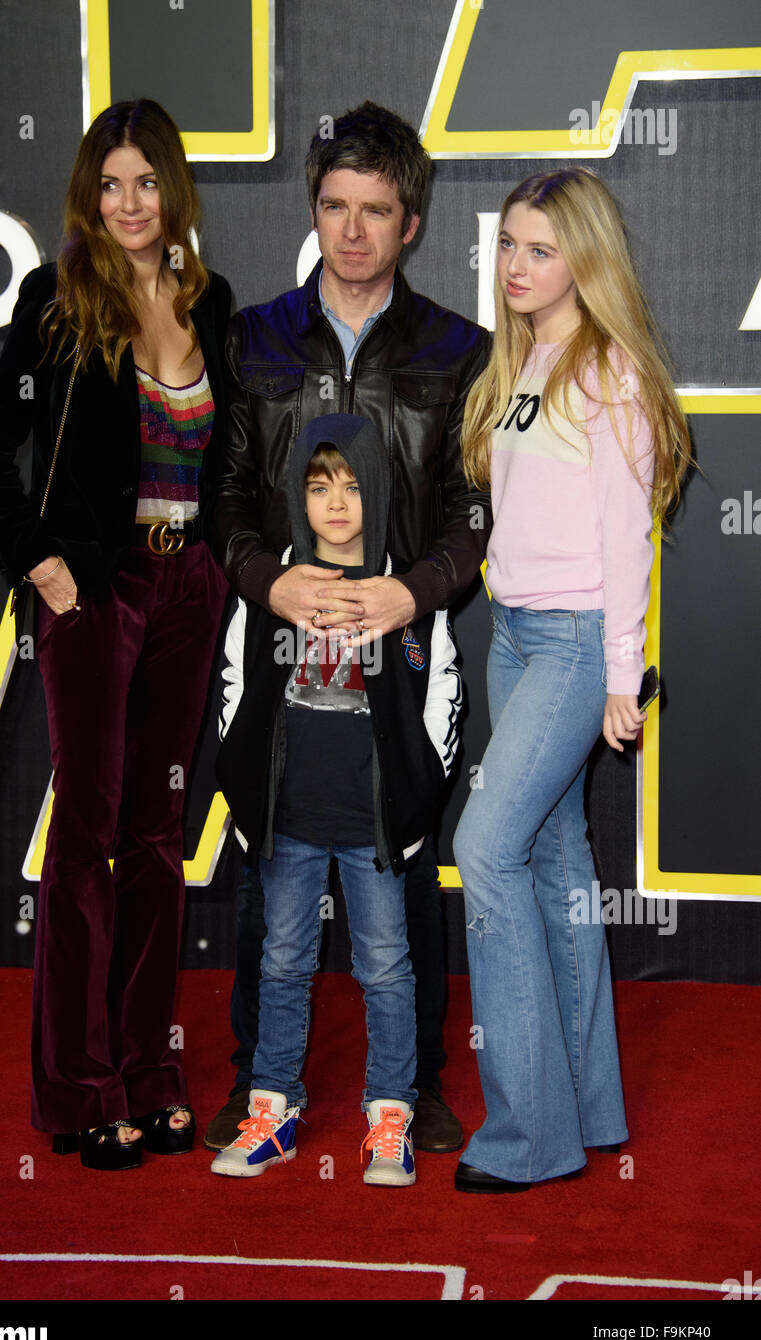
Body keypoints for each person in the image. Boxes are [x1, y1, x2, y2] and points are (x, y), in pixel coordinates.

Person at [207, 101, 491, 1154]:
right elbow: (224, 496)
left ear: (411, 219)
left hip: (408, 645)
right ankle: (258, 1082)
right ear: (314, 207)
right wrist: (267, 581)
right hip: (276, 638)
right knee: (264, 849)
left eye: (377, 210)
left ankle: (405, 1089)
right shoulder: (255, 337)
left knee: (402, 858)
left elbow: (474, 506)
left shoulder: (462, 350)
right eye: (335, 205)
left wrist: (413, 591)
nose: (354, 231)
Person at [0, 99, 231, 1170]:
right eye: (109, 184)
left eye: (146, 182)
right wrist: (41, 563)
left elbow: (221, 457)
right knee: (86, 839)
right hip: (95, 592)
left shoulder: (206, 305)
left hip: (187, 589)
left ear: (172, 190)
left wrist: (216, 560)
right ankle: (80, 1089)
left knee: (159, 837)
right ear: (89, 192)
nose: (128, 204)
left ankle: (150, 1069)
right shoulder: (58, 298)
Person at [452, 169, 692, 1193]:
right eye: (507, 244)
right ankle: (588, 1109)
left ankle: (530, 1134)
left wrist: (620, 674)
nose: (516, 265)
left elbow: (622, 534)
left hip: (573, 640)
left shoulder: (606, 372)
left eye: (540, 249)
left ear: (584, 258)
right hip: (509, 631)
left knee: (483, 848)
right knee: (551, 859)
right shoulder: (523, 356)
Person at [212, 414, 462, 1183]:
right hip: (287, 822)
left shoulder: (407, 593)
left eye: (354, 486)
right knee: (281, 964)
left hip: (377, 827)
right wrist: (246, 793)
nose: (336, 503)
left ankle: (391, 1117)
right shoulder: (270, 589)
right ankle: (272, 1109)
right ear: (296, 494)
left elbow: (440, 696)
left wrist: (416, 800)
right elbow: (233, 688)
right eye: (319, 486)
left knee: (387, 968)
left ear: (380, 491)